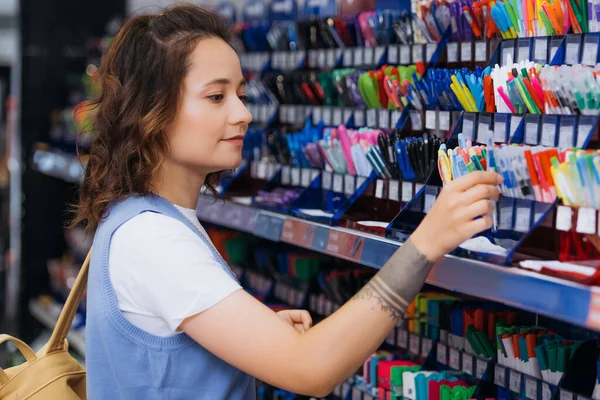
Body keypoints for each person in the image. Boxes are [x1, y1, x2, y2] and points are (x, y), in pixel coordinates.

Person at [73, 4, 502, 399]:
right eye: (216, 96)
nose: (243, 113)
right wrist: (423, 246)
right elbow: (311, 369)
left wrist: (247, 336)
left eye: (241, 93)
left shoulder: (143, 219)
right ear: (151, 111)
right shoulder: (154, 238)